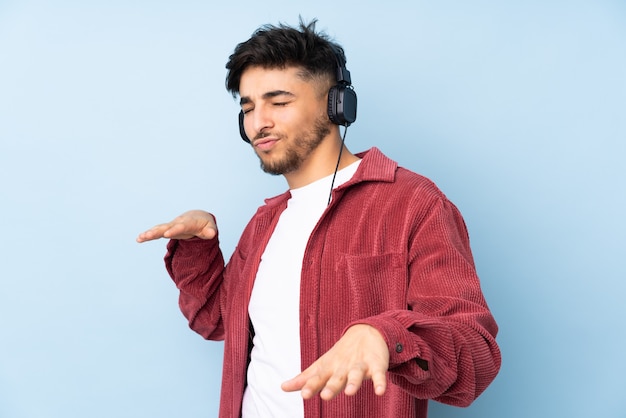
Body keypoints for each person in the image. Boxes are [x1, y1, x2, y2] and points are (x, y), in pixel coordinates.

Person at [137, 18, 501, 418]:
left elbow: (475, 354)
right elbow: (216, 322)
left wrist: (385, 335)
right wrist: (196, 248)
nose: (259, 123)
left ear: (336, 105)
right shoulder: (264, 224)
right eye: (248, 107)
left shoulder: (413, 204)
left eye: (278, 102)